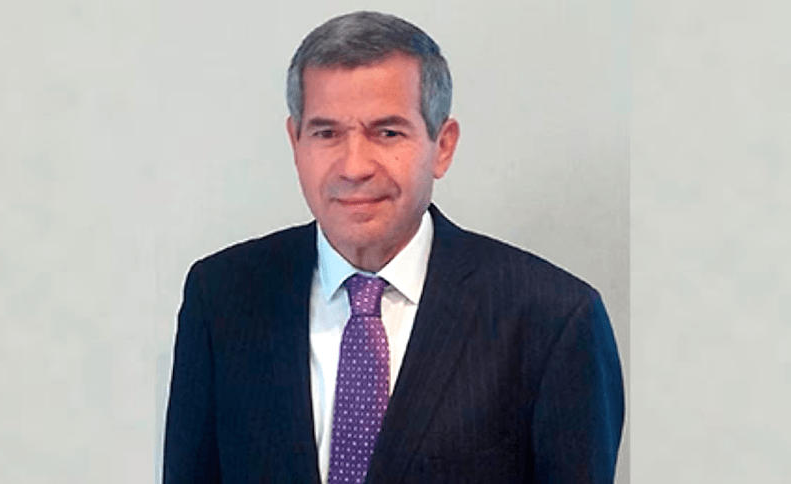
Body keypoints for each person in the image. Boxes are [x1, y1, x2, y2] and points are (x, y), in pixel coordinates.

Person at [163, 10, 624, 484]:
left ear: (442, 146)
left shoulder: (554, 319)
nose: (354, 166)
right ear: (295, 142)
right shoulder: (222, 297)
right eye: (326, 133)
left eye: (387, 133)